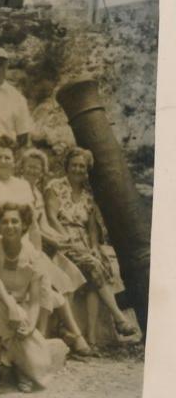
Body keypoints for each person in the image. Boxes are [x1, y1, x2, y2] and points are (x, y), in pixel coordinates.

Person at [44, 147, 136, 345]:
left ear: (86, 170)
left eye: (82, 167)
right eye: (75, 165)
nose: (78, 169)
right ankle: (119, 318)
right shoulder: (55, 187)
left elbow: (92, 227)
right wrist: (68, 240)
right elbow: (51, 217)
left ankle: (92, 337)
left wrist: (94, 246)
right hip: (62, 239)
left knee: (97, 264)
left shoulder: (87, 195)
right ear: (67, 166)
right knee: (94, 266)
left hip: (84, 242)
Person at [19, 149, 92, 354]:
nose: (34, 169)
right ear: (21, 167)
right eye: (30, 165)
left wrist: (62, 238)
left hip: (39, 246)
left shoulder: (37, 193)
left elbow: (43, 225)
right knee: (58, 279)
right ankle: (70, 335)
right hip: (26, 246)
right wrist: (54, 240)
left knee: (69, 278)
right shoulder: (19, 189)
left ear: (43, 171)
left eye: (38, 166)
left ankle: (62, 331)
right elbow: (31, 228)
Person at [0, 202, 55, 393]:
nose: (10, 226)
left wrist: (30, 326)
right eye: (4, 222)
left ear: (24, 225)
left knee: (41, 362)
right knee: (2, 308)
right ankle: (2, 364)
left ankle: (14, 363)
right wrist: (12, 307)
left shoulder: (32, 254)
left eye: (15, 221)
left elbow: (36, 299)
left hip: (22, 310)